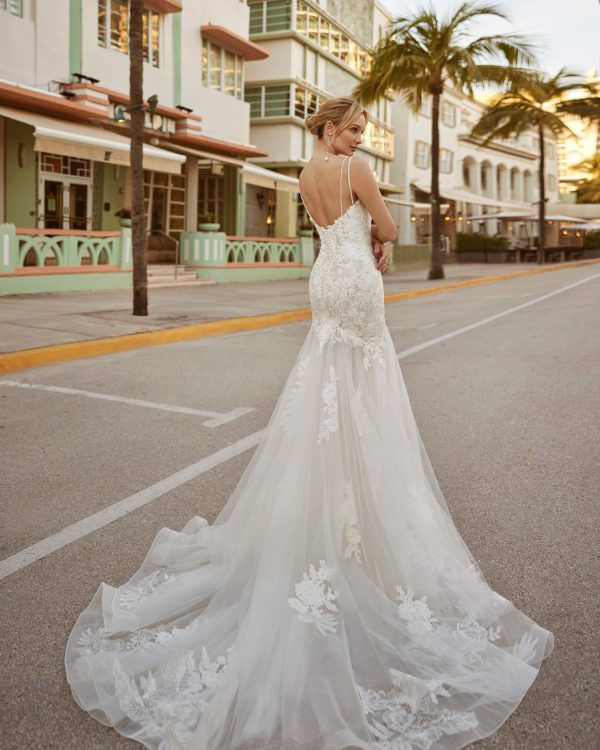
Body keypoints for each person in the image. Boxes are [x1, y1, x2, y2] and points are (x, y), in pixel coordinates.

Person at [65, 96, 553, 750]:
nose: (358, 139)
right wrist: (381, 242)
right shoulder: (355, 171)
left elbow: (337, 227)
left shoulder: (304, 173)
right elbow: (390, 228)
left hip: (326, 277)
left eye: (360, 132)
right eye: (352, 129)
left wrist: (366, 241)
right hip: (355, 282)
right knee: (362, 392)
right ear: (328, 126)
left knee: (327, 386)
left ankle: (334, 503)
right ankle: (362, 517)